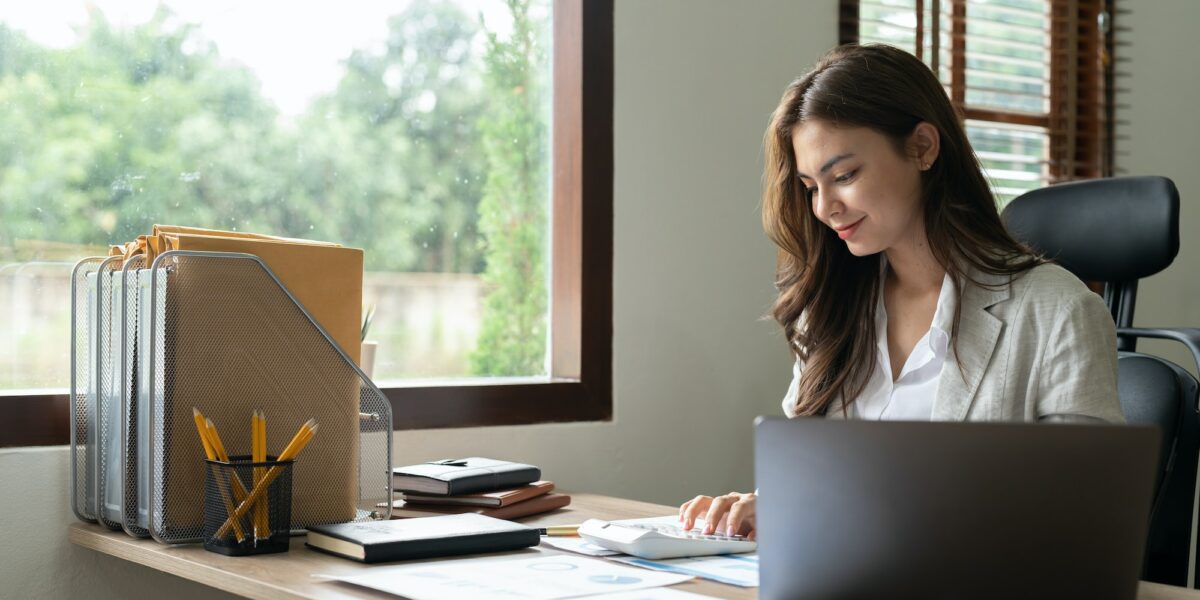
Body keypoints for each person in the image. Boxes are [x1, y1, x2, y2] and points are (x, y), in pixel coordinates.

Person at [678, 44, 1125, 541]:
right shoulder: (829, 309)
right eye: (810, 186)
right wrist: (766, 505)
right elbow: (813, 484)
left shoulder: (1057, 310)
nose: (826, 208)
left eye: (844, 176)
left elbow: (1085, 520)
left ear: (923, 148)